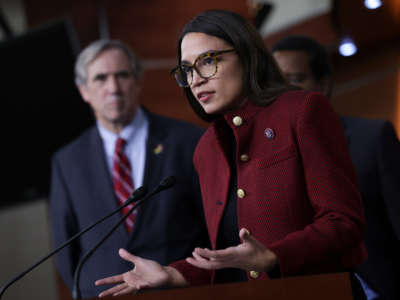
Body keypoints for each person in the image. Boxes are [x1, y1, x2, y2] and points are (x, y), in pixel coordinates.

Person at [95, 10, 367, 298]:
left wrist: (274, 256)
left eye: (208, 61)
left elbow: (344, 223)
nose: (196, 79)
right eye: (187, 69)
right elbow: (228, 259)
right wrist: (173, 273)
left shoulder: (302, 110)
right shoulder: (206, 149)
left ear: (247, 56)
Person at [49, 39, 209, 298]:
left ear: (137, 81)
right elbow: (65, 250)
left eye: (122, 75)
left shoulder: (188, 141)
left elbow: (211, 228)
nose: (113, 88)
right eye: (100, 78)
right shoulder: (66, 161)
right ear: (83, 91)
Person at [271, 35, 400, 300]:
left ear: (324, 85)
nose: (283, 91)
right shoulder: (265, 158)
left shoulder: (372, 138)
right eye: (275, 82)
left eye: (295, 79)